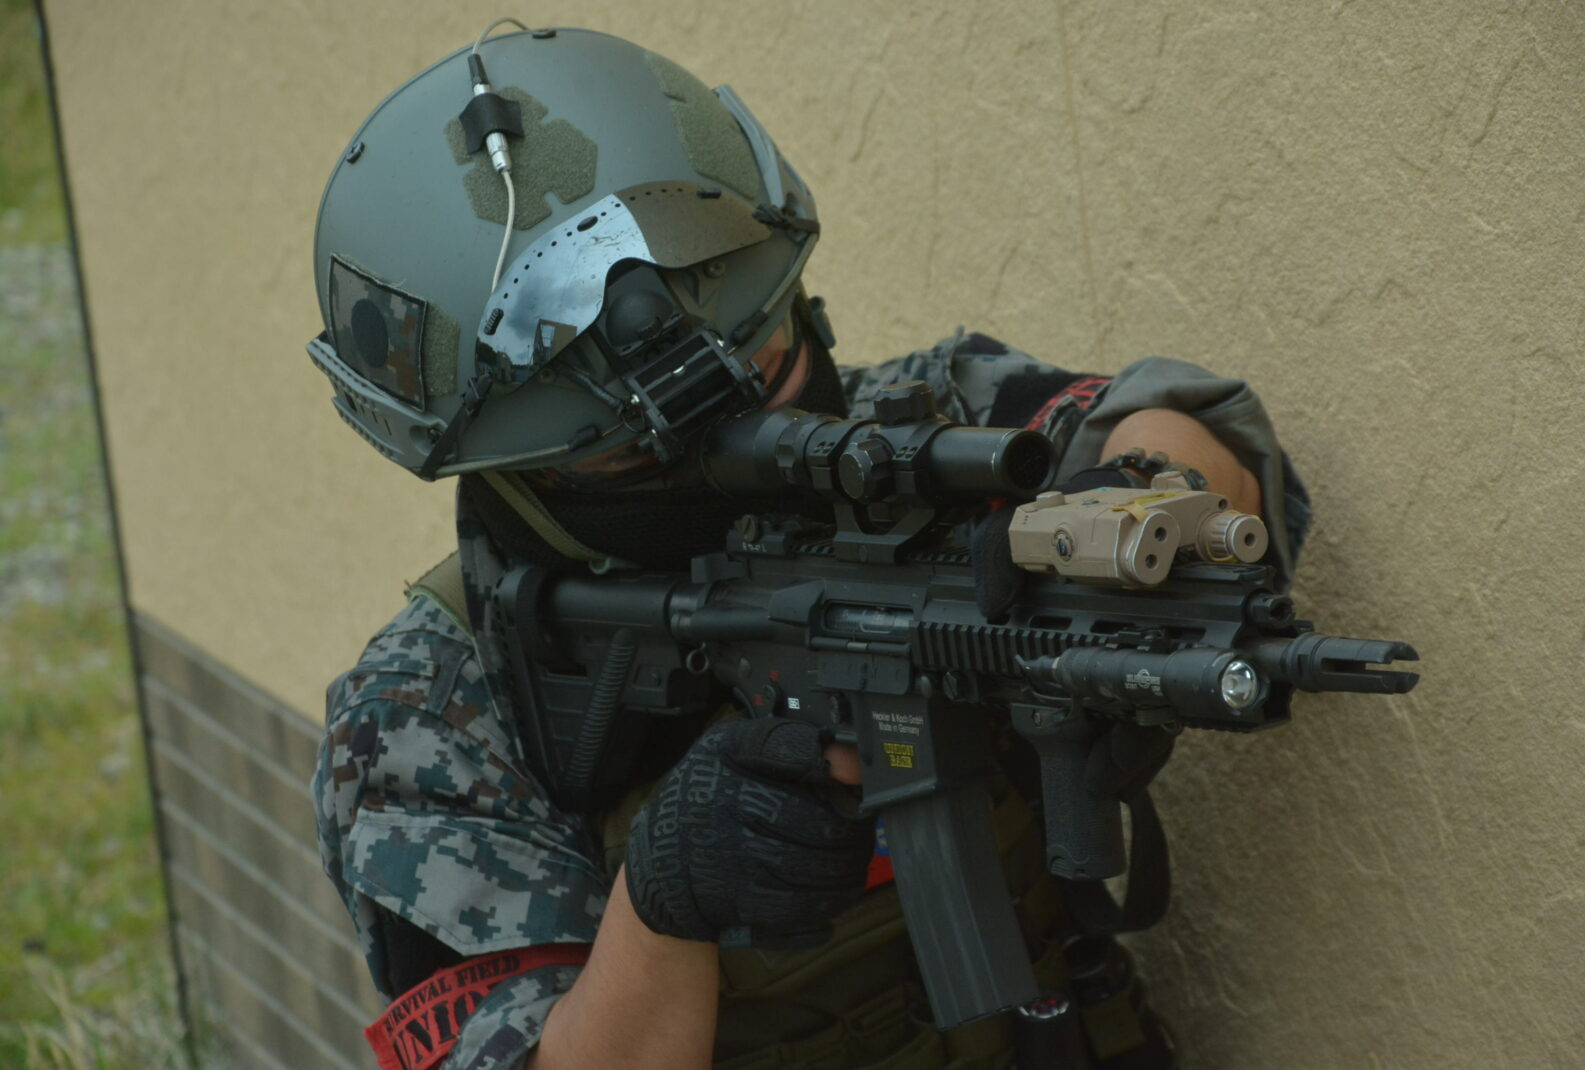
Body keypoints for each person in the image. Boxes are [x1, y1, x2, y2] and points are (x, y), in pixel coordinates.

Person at [308, 22, 1311, 1070]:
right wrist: (662, 904)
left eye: (767, 364)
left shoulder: (911, 430)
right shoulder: (424, 717)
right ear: (520, 469)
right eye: (633, 454)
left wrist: (1125, 507)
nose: (737, 448)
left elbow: (1182, 424)